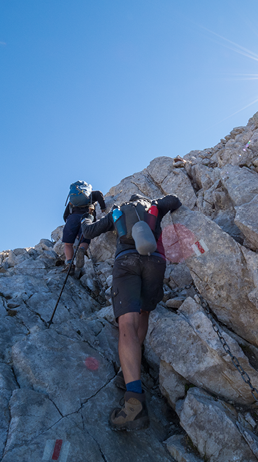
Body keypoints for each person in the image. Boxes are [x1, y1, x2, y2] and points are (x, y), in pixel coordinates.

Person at [81, 193, 181, 431]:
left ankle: (134, 400)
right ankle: (129, 369)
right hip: (155, 262)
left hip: (126, 261)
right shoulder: (154, 206)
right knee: (144, 313)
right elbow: (175, 200)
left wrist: (87, 217)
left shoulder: (117, 211)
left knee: (126, 323)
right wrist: (158, 202)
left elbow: (88, 232)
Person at [62, 181, 107, 276]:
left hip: (72, 219)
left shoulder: (72, 200)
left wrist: (70, 223)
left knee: (68, 244)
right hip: (86, 218)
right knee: (85, 239)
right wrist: (103, 207)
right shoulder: (92, 194)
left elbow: (65, 216)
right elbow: (99, 194)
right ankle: (81, 249)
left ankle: (69, 264)